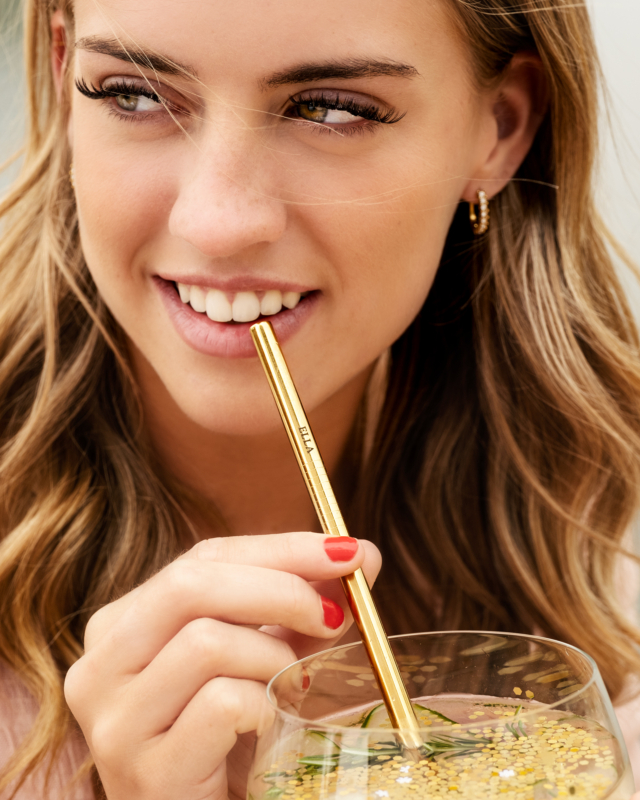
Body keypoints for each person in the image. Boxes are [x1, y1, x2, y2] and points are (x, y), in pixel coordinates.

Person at [1, 0, 640, 797]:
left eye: (333, 109)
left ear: (500, 129)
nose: (218, 221)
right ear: (65, 77)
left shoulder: (616, 580)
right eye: (131, 93)